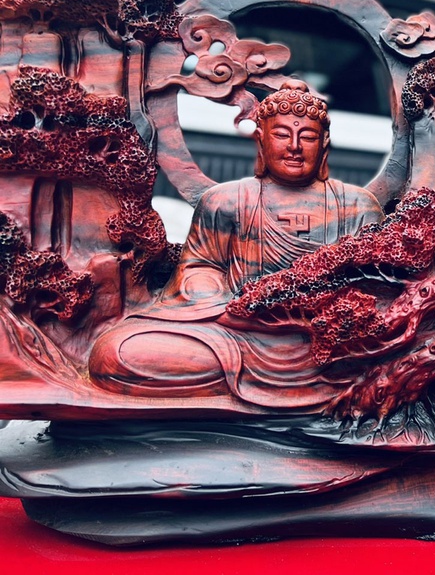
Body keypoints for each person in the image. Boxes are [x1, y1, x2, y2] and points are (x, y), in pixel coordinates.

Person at [89, 84, 382, 402]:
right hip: (238, 335)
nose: (295, 147)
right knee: (113, 354)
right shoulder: (225, 201)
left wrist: (325, 315)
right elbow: (199, 269)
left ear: (324, 143)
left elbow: (377, 287)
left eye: (308, 137)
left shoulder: (356, 206)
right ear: (261, 139)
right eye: (281, 135)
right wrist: (229, 304)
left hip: (326, 341)